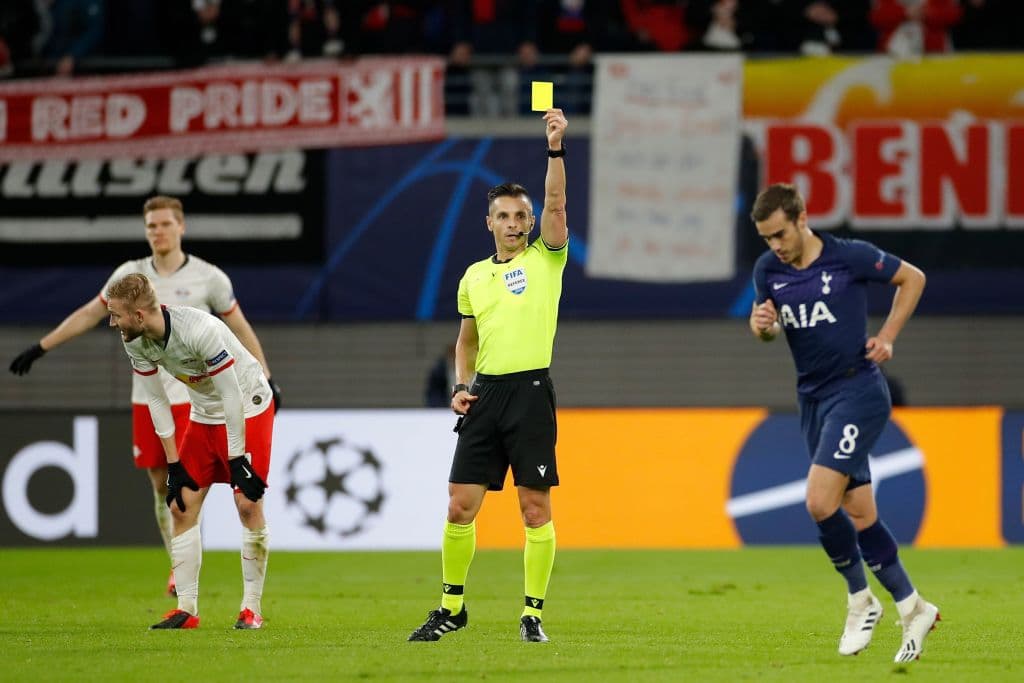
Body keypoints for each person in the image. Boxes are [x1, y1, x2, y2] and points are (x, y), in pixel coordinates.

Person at [8, 195, 281, 598]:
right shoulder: (129, 276)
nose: (158, 231)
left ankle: (207, 579)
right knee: (164, 485)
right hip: (151, 391)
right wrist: (42, 346)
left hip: (199, 396)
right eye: (151, 225)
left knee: (204, 490)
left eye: (166, 224)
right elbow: (90, 313)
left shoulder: (209, 279)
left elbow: (238, 328)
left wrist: (267, 379)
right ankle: (179, 565)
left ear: (181, 227)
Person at [748, 183, 938, 663]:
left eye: (780, 234)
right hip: (813, 399)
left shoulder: (849, 257)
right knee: (859, 514)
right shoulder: (769, 270)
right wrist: (762, 328)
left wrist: (889, 336)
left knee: (818, 501)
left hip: (857, 392)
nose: (775, 246)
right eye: (767, 238)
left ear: (802, 219)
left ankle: (860, 599)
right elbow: (767, 331)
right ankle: (913, 606)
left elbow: (912, 278)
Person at [408, 108, 569, 644]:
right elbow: (467, 340)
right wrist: (460, 385)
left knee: (533, 508)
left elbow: (557, 203)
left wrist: (554, 148)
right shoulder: (474, 277)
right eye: (504, 216)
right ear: (490, 223)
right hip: (486, 395)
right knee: (459, 505)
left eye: (521, 215)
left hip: (530, 392)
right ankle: (452, 607)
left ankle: (532, 614)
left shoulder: (548, 258)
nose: (515, 223)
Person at [105, 272, 273, 630]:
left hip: (249, 405)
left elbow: (231, 395)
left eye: (116, 315)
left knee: (247, 505)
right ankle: (186, 610)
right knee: (180, 506)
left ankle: (251, 610)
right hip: (203, 412)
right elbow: (157, 400)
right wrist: (173, 463)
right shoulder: (134, 341)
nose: (111, 322)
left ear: (138, 315)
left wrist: (237, 458)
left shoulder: (200, 329)